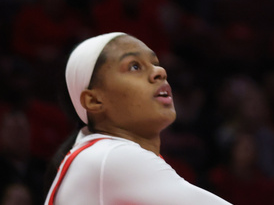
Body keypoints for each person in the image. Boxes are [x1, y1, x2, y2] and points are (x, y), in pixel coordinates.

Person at [44, 32, 231, 204]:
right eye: (135, 66)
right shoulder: (112, 155)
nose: (160, 72)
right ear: (94, 100)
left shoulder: (101, 155)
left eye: (155, 63)